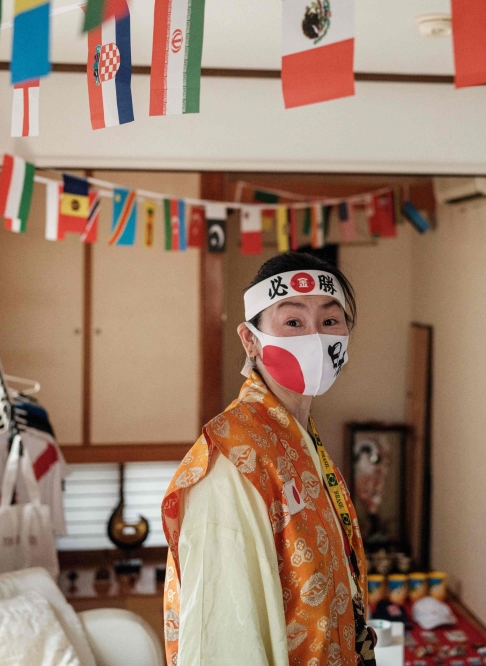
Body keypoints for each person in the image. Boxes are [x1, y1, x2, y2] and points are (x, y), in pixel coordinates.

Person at [161, 252, 376, 666]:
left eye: (330, 321)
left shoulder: (298, 435)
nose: (315, 337)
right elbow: (221, 639)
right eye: (293, 322)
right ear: (250, 339)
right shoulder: (230, 461)